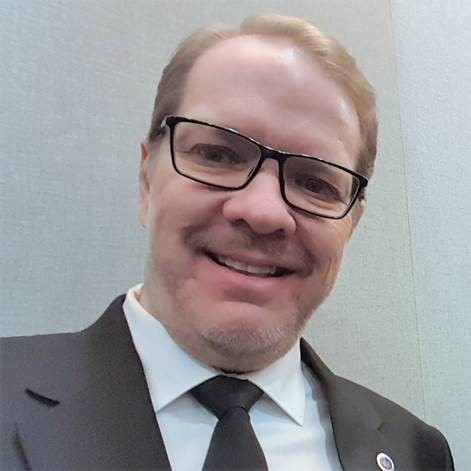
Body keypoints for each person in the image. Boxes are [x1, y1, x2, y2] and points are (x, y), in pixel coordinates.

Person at [1, 13, 453, 471]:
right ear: (146, 181)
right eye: (217, 155)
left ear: (351, 223)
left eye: (315, 184)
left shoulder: (417, 453)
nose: (262, 211)